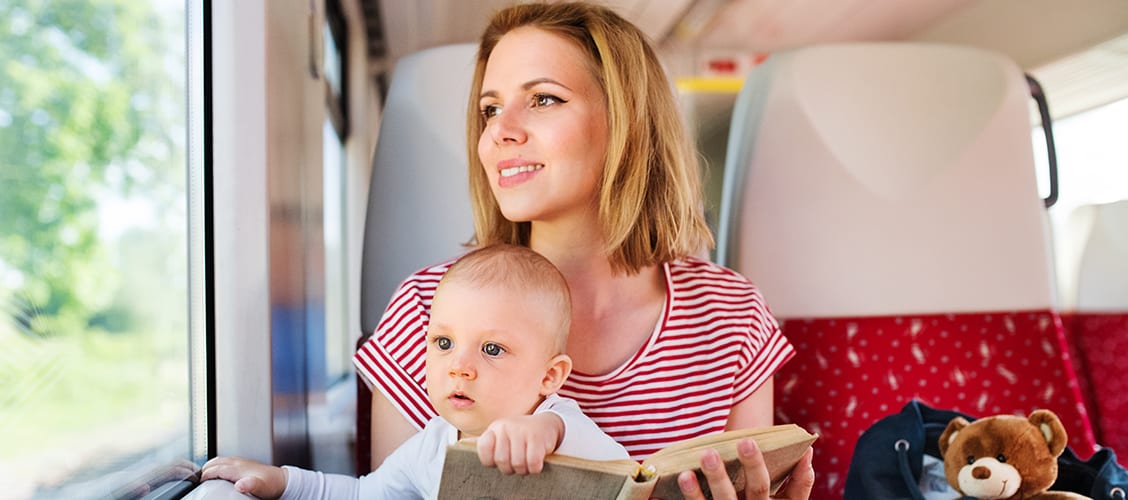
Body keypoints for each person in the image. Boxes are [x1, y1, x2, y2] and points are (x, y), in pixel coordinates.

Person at [355, 3, 814, 499]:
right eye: (490, 109)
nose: (499, 131)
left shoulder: (732, 314)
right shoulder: (425, 309)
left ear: (626, 121)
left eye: (544, 99)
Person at [202, 244, 630, 499]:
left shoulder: (560, 427)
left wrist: (544, 433)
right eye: (443, 344)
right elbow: (365, 494)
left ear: (549, 377)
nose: (459, 367)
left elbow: (626, 475)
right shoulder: (430, 444)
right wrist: (284, 483)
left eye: (493, 349)